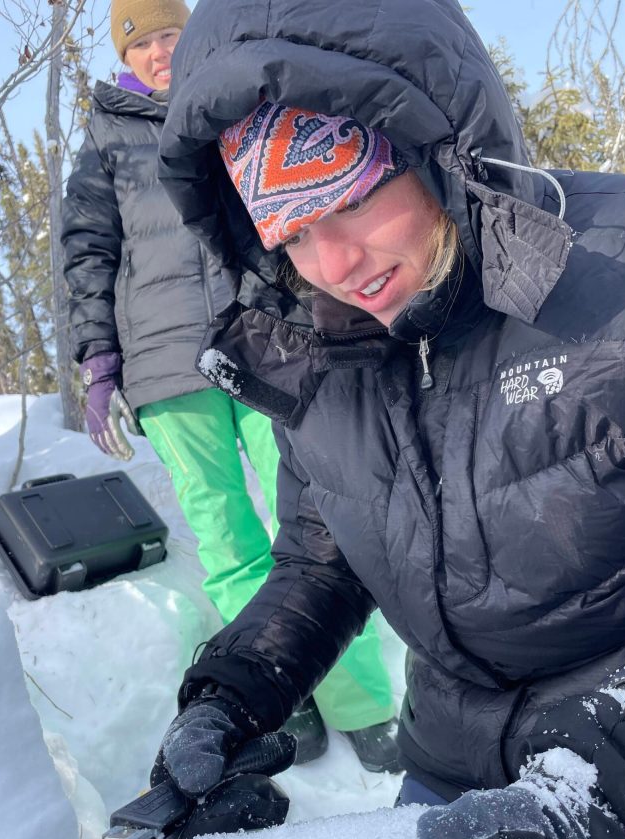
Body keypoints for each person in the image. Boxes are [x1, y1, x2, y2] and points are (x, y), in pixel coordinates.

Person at [146, 0, 625, 839]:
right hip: (453, 777)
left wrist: (620, 773)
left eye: (349, 200)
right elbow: (321, 557)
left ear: (438, 147)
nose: (336, 265)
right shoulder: (321, 339)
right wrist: (234, 694)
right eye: (293, 233)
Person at [60, 0, 400, 773]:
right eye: (138, 43)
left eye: (167, 35)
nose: (155, 54)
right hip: (160, 361)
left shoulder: (232, 100)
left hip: (263, 339)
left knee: (315, 521)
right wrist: (97, 360)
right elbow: (87, 253)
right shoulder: (105, 139)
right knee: (225, 535)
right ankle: (284, 690)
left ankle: (364, 700)